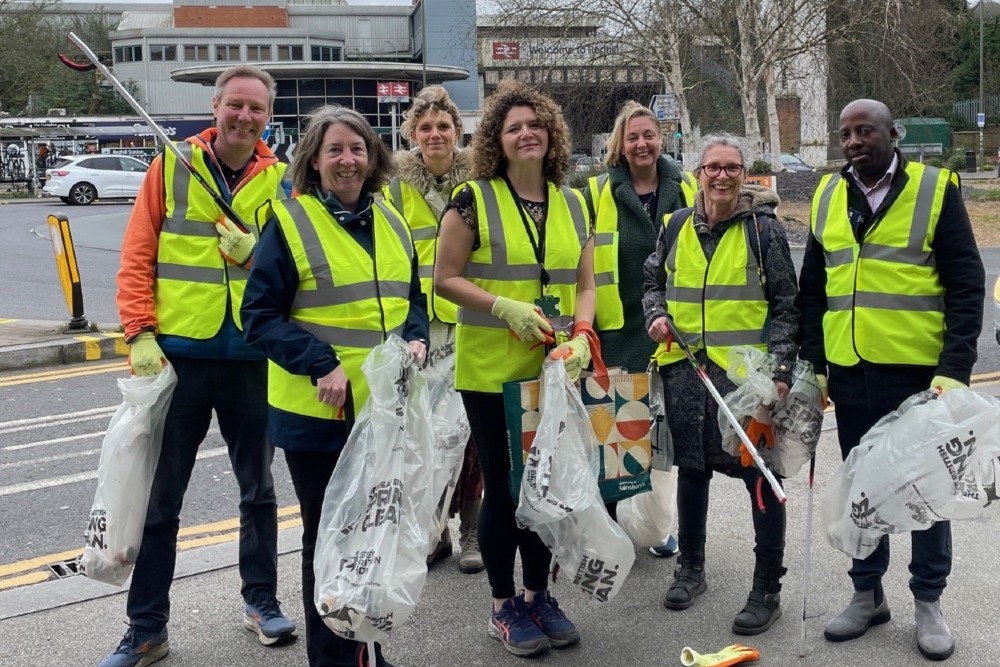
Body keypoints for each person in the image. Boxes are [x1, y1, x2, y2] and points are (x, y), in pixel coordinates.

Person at [105, 64, 294, 667]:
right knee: (162, 500)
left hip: (252, 356)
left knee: (259, 490)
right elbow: (138, 254)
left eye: (256, 109)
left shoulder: (285, 181)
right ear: (216, 106)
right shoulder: (171, 165)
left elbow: (298, 268)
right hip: (178, 356)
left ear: (269, 116)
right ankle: (146, 629)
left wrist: (257, 254)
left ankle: (261, 601)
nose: (244, 117)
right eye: (234, 105)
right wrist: (137, 331)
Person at [242, 104, 428, 667]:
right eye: (334, 151)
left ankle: (364, 652)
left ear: (373, 158)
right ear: (314, 162)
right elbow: (259, 316)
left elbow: (411, 300)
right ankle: (332, 660)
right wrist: (320, 362)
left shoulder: (391, 220)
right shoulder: (291, 222)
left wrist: (416, 338)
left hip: (382, 414)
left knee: (372, 539)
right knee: (329, 544)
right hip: (316, 418)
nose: (348, 160)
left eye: (357, 149)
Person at [799, 99, 985, 662]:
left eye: (865, 130)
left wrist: (953, 371)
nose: (854, 141)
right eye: (846, 133)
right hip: (851, 373)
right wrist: (814, 364)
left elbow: (966, 284)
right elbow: (814, 288)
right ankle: (867, 594)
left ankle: (928, 602)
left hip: (917, 379)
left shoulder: (933, 189)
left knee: (927, 491)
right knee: (864, 489)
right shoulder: (829, 194)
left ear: (892, 134)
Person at [434, 80, 595, 658]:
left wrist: (582, 335)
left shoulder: (574, 202)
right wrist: (501, 306)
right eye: (513, 127)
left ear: (551, 133)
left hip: (551, 373)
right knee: (506, 493)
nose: (526, 133)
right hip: (490, 375)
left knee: (545, 489)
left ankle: (538, 596)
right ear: (496, 142)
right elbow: (444, 278)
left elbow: (586, 284)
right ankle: (503, 606)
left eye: (536, 124)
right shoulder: (471, 200)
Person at [642, 134, 799, 635]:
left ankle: (767, 588)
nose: (723, 175)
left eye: (733, 167)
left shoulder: (764, 231)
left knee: (761, 478)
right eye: (714, 167)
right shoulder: (676, 226)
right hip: (687, 371)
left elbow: (787, 306)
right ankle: (691, 567)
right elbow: (652, 283)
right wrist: (656, 315)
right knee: (692, 469)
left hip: (745, 382)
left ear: (743, 174)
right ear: (698, 173)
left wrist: (778, 374)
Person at [384, 84, 484, 575]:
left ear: (456, 131)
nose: (435, 134)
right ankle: (436, 530)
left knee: (472, 434)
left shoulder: (480, 179)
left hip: (470, 317)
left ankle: (471, 532)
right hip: (421, 324)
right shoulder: (396, 186)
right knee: (424, 433)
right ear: (413, 135)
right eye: (425, 128)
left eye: (443, 126)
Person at [582, 100, 689, 557]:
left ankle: (654, 525)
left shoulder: (684, 187)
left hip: (672, 330)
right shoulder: (595, 193)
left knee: (664, 436)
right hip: (617, 332)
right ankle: (608, 529)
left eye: (649, 135)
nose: (642, 143)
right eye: (632, 137)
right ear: (619, 146)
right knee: (612, 435)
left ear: (660, 139)